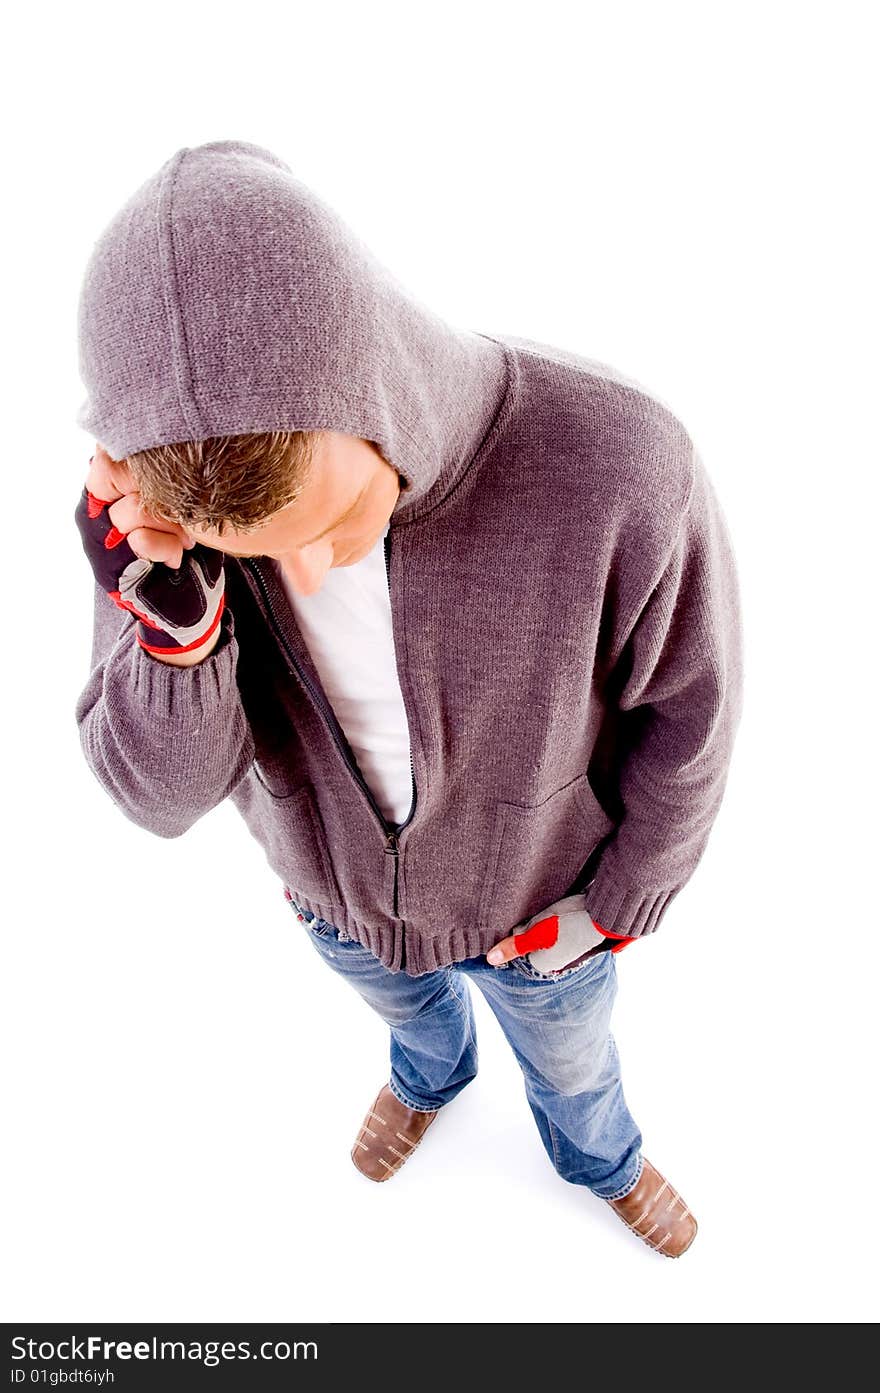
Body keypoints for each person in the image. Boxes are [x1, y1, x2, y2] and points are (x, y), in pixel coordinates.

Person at [73, 139, 744, 1259]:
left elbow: (692, 714)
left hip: (545, 922)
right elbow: (162, 798)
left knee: (577, 1070)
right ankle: (430, 1074)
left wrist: (625, 896)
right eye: (271, 555)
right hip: (335, 906)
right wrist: (176, 628)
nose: (320, 570)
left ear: (373, 376)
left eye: (339, 521)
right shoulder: (170, 521)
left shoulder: (623, 463)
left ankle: (599, 1158)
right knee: (405, 1017)